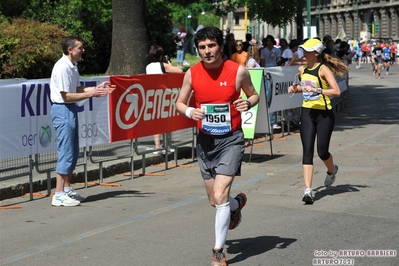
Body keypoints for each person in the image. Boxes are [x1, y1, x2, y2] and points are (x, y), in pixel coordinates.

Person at [175, 26, 259, 266]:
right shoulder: (192, 73)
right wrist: (191, 110)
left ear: (221, 47)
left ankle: (218, 251)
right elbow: (179, 103)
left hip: (231, 139)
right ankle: (236, 204)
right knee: (215, 200)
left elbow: (253, 95)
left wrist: (247, 103)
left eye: (211, 46)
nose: (207, 51)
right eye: (202, 47)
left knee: (220, 194)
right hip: (206, 141)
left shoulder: (238, 71)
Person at [50, 35, 115, 207]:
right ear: (70, 50)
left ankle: (66, 189)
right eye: (80, 47)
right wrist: (91, 93)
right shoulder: (62, 67)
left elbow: (77, 89)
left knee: (73, 149)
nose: (83, 50)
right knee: (65, 150)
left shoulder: (73, 65)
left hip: (70, 109)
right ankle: (58, 194)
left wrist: (96, 89)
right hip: (62, 109)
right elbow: (67, 95)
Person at [288, 38, 349, 204]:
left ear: (316, 53)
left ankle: (331, 170)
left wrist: (318, 90)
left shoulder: (323, 70)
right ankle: (308, 191)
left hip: (324, 114)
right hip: (307, 112)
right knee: (307, 151)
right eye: (303, 51)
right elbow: (303, 87)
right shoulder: (302, 69)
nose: (303, 54)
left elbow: (336, 91)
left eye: (307, 51)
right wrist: (295, 88)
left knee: (322, 151)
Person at [146, 45, 183, 154]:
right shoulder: (163, 66)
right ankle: (167, 145)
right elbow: (179, 71)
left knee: (156, 121)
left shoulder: (148, 67)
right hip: (164, 95)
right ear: (160, 56)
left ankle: (157, 146)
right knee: (166, 120)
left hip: (153, 95)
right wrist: (169, 64)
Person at [260, 35, 281, 130]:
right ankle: (270, 121)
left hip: (275, 73)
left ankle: (274, 121)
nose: (268, 42)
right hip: (267, 74)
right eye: (267, 41)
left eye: (270, 41)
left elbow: (280, 61)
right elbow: (262, 62)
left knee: (275, 97)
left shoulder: (277, 50)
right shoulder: (264, 51)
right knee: (268, 97)